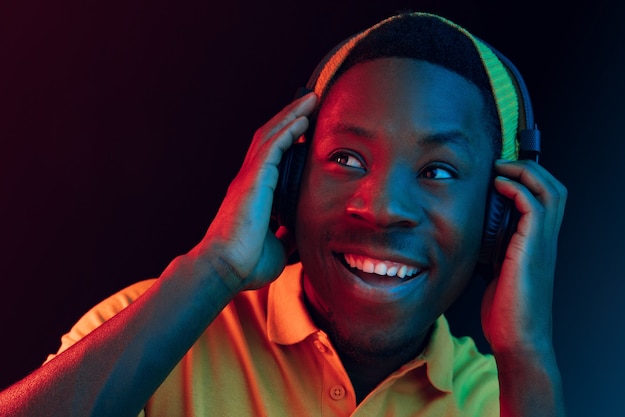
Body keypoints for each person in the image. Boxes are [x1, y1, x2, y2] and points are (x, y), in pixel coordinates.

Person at [0, 11, 566, 416]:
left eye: (438, 171)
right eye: (345, 158)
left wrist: (526, 352)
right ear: (288, 176)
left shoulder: (506, 398)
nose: (383, 208)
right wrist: (215, 267)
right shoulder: (149, 331)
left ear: (501, 214)